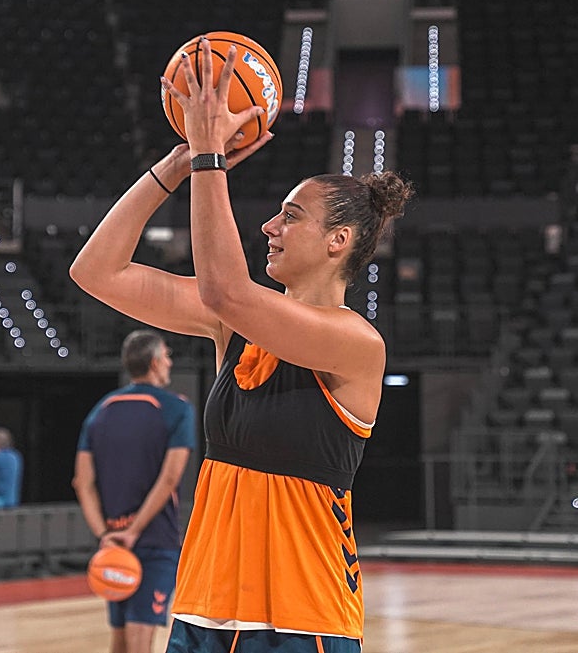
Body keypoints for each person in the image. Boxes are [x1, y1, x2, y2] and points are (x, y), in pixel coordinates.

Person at [69, 38, 414, 653]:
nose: (270, 226)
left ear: (339, 241)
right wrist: (172, 168)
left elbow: (227, 292)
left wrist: (210, 158)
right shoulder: (238, 329)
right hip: (203, 608)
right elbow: (97, 272)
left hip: (298, 620)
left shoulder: (356, 343)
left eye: (292, 215)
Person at [73, 329, 196, 653]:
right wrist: (136, 529)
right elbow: (169, 479)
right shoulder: (177, 409)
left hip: (113, 542)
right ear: (155, 363)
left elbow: (82, 483)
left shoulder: (100, 410)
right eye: (167, 356)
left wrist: (104, 533)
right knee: (140, 642)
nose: (169, 363)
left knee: (120, 641)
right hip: (154, 540)